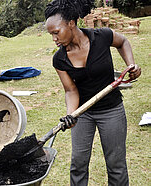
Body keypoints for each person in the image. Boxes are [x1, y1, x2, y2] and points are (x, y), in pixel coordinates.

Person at [44, 0, 141, 185]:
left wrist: (131, 64)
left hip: (111, 110)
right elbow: (71, 90)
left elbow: (123, 42)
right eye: (51, 35)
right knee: (78, 164)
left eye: (56, 32)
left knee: (116, 164)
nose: (54, 39)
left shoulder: (102, 36)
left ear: (71, 23)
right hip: (83, 114)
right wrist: (70, 115)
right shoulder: (59, 59)